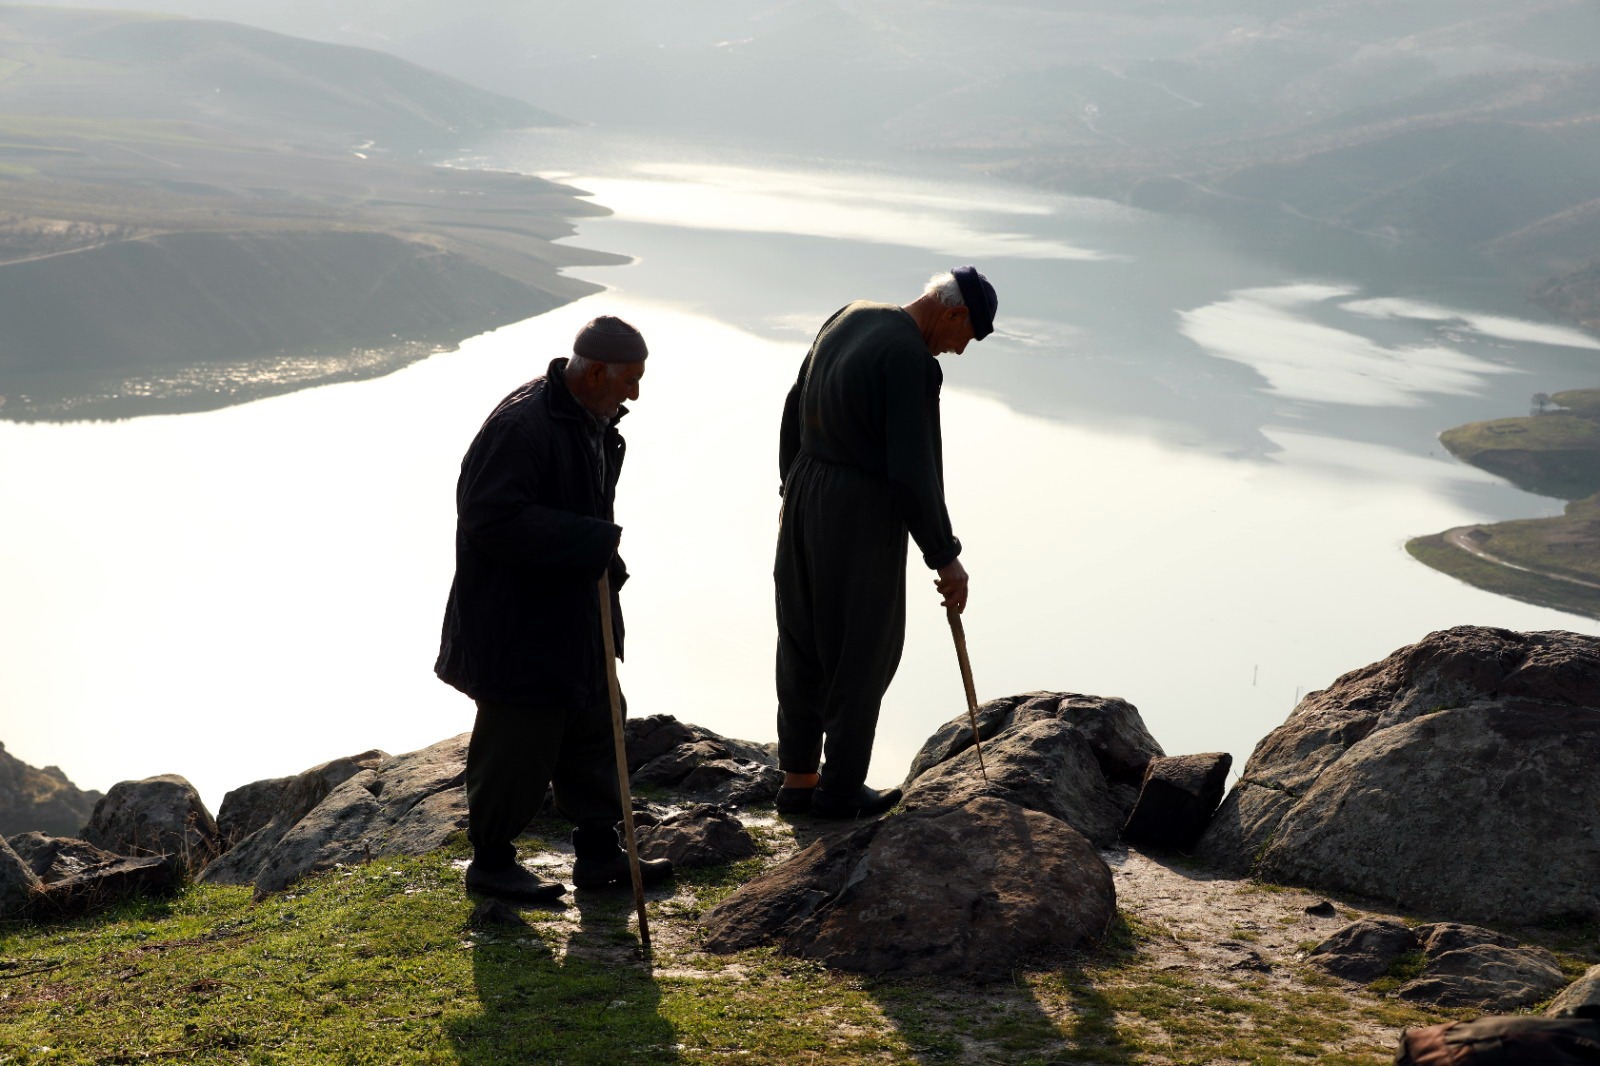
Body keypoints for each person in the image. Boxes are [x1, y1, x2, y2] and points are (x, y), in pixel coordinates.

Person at [435, 315, 673, 902]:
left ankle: (598, 855)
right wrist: (588, 541)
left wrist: (600, 559)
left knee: (596, 721)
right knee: (518, 739)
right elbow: (490, 519)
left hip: (575, 609)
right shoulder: (522, 426)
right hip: (520, 619)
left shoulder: (589, 416)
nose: (635, 394)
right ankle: (491, 863)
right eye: (630, 380)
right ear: (595, 372)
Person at [773, 266, 999, 819]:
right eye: (968, 337)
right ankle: (841, 790)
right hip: (860, 510)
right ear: (955, 313)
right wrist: (945, 556)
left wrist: (792, 487)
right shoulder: (911, 361)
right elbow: (914, 470)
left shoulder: (849, 315)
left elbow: (793, 407)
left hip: (805, 491)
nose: (961, 351)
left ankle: (799, 780)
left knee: (802, 639)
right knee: (864, 648)